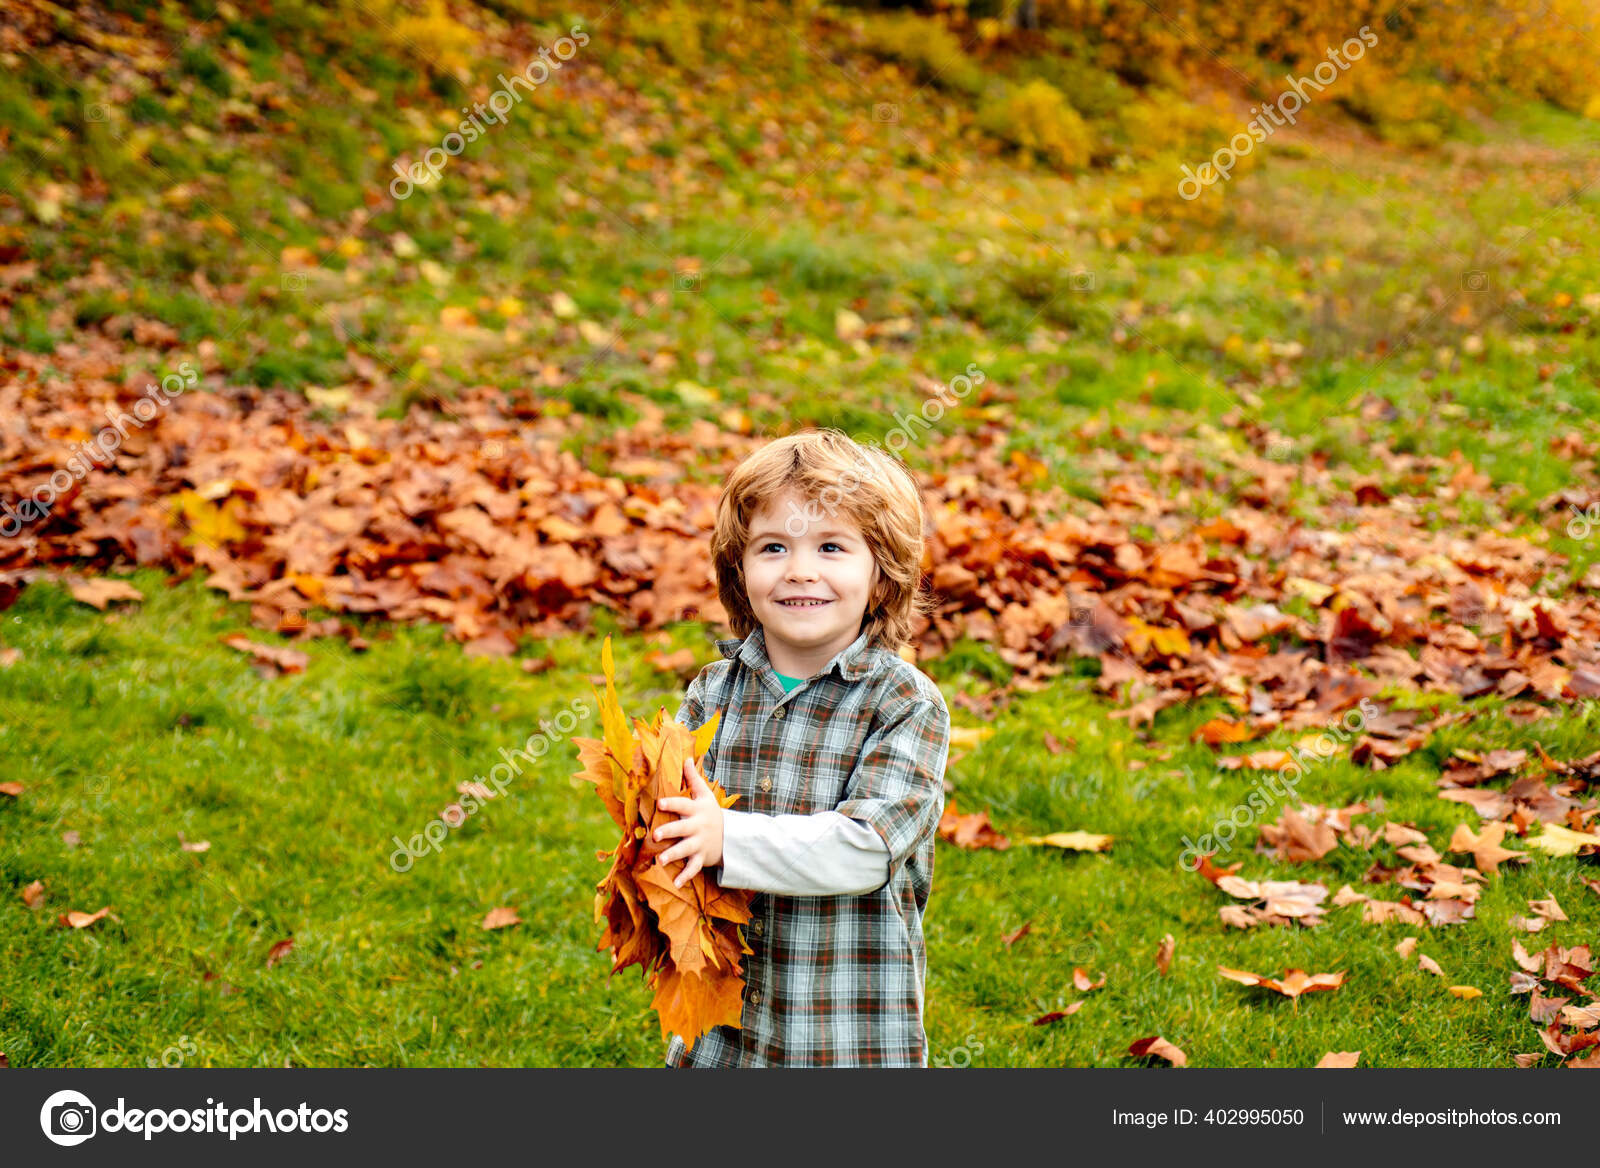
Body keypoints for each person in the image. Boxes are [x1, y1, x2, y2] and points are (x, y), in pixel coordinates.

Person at [652, 428, 951, 1067]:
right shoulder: (711, 693)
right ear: (740, 569)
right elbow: (670, 827)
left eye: (832, 546)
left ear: (882, 575)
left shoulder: (903, 704)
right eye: (773, 546)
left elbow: (865, 851)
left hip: (841, 1025)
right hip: (720, 1016)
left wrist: (726, 838)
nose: (800, 569)